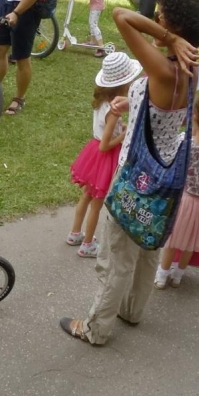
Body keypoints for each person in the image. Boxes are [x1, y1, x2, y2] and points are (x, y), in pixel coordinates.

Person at [58, 0, 199, 346]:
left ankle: (96, 329)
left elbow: (121, 16)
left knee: (116, 258)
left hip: (134, 176)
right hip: (163, 178)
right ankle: (132, 310)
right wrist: (135, 101)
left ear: (175, 28)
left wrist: (167, 38)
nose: (155, 19)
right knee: (146, 249)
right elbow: (164, 107)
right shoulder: (192, 68)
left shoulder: (163, 67)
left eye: (161, 17)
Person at [66, 52, 142, 258]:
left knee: (86, 196)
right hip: (104, 158)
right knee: (96, 204)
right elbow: (105, 145)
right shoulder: (113, 110)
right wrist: (124, 135)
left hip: (92, 153)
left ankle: (75, 234)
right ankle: (87, 244)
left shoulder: (101, 101)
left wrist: (119, 129)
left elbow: (103, 131)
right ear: (124, 84)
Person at [156, 91, 199, 288]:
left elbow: (172, 169)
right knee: (191, 242)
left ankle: (162, 276)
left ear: (194, 116)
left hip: (183, 200)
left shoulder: (183, 143)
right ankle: (178, 275)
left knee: (173, 240)